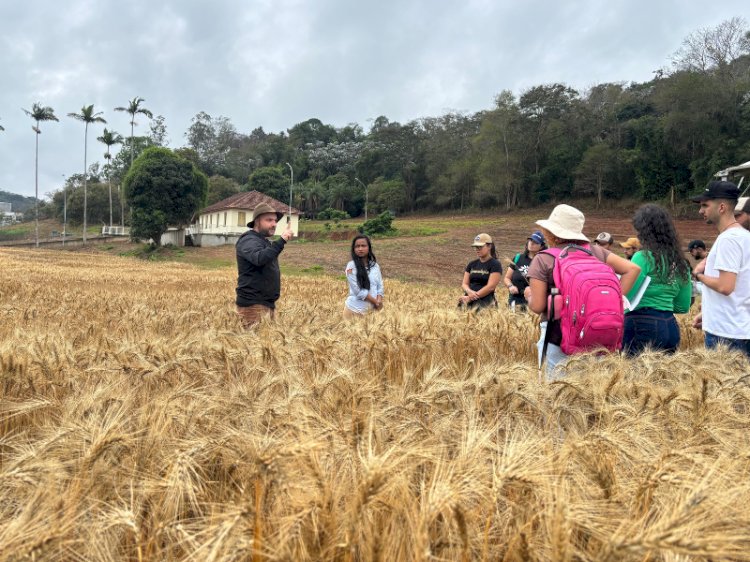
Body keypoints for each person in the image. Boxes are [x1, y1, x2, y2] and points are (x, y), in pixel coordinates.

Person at [524, 205, 640, 376]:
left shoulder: (544, 259)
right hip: (596, 334)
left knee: (555, 395)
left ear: (550, 233)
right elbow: (633, 269)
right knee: (590, 395)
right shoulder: (596, 252)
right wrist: (612, 301)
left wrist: (528, 295)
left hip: (557, 338)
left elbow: (538, 305)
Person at [622, 204, 692, 356]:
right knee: (661, 378)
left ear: (644, 232)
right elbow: (683, 306)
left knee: (633, 376)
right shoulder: (681, 263)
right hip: (670, 326)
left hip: (641, 323)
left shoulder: (642, 257)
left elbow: (626, 296)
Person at [691, 181, 750, 357]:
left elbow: (725, 286)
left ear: (722, 207)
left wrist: (698, 275)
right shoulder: (744, 237)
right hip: (738, 328)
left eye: (705, 205)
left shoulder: (728, 239)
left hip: (726, 334)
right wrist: (708, 313)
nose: (701, 211)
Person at [235, 203, 293, 329]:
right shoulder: (248, 240)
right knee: (253, 345)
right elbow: (259, 258)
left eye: (275, 221)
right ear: (257, 221)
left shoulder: (262, 241)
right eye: (269, 220)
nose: (274, 224)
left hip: (265, 305)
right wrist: (281, 241)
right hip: (253, 307)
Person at [344, 234, 384, 318]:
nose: (360, 249)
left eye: (363, 246)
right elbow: (357, 290)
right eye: (357, 246)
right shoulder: (350, 267)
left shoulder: (375, 266)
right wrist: (375, 302)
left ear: (369, 248)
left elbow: (380, 285)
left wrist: (379, 301)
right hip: (353, 310)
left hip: (372, 312)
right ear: (353, 249)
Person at [459, 233, 502, 310]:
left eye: (480, 247)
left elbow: (491, 287)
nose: (477, 249)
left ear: (489, 246)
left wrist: (471, 297)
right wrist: (469, 292)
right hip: (467, 300)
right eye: (475, 247)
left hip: (485, 302)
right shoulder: (472, 264)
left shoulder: (495, 264)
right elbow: (464, 283)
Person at [504, 230, 545, 310]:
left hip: (534, 302)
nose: (531, 243)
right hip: (515, 300)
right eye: (530, 240)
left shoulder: (543, 262)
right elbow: (507, 278)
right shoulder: (518, 258)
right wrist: (510, 286)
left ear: (541, 246)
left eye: (535, 242)